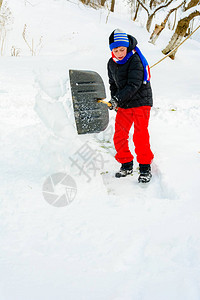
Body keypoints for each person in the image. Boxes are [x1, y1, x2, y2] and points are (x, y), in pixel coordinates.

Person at [107, 29, 154, 183]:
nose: (119, 53)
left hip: (141, 101)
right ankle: (126, 164)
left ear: (127, 47)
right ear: (111, 49)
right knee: (119, 135)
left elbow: (134, 84)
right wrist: (115, 100)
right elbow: (113, 84)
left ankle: (145, 168)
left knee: (140, 135)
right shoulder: (111, 63)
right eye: (115, 50)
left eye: (122, 49)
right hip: (125, 103)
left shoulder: (135, 60)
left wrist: (117, 99)